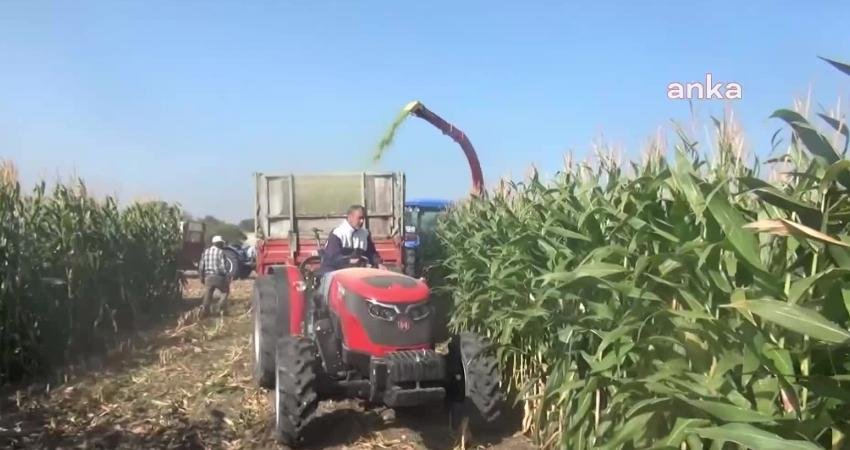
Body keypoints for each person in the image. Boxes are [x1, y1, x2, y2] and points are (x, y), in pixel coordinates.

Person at [197, 235, 231, 316]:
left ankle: (204, 312)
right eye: (221, 243)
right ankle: (218, 307)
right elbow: (223, 267)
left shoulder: (206, 252)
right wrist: (227, 277)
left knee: (208, 294)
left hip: (208, 277)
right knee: (225, 292)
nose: (222, 245)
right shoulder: (221, 252)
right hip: (219, 276)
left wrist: (201, 277)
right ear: (218, 244)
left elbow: (201, 266)